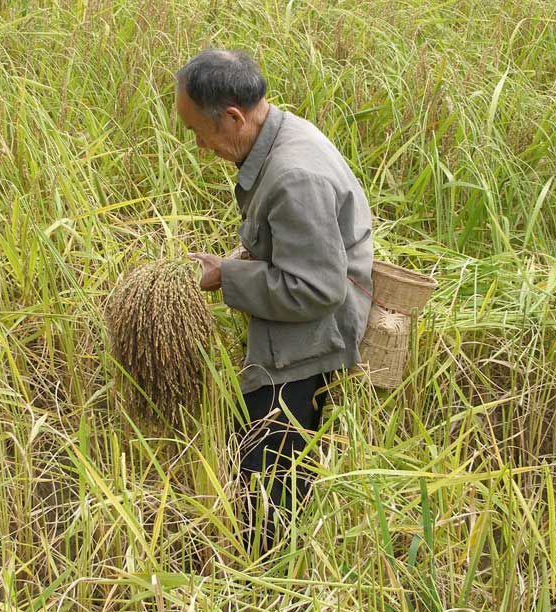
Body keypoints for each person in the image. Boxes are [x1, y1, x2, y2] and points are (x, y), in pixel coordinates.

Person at [177, 49, 373, 552]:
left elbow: (318, 289)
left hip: (312, 342)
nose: (200, 148)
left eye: (199, 133)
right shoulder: (281, 133)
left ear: (234, 118)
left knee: (267, 478)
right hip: (308, 319)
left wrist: (228, 277)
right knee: (275, 468)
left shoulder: (293, 176)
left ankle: (267, 570)